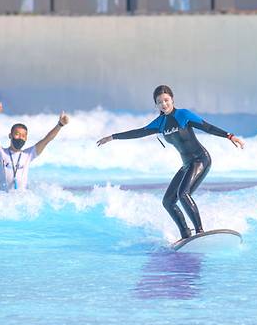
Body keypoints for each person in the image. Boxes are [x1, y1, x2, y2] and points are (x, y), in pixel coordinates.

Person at [97, 85, 245, 240]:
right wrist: (113, 137)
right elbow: (139, 132)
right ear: (156, 105)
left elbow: (207, 127)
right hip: (187, 164)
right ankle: (186, 236)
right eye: (159, 102)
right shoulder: (159, 123)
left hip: (201, 159)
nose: (164, 104)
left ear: (172, 99)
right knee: (168, 201)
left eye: (166, 100)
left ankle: (200, 232)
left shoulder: (183, 115)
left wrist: (229, 136)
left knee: (183, 194)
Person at [0, 102, 69, 191]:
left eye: (23, 136)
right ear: (10, 135)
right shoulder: (0, 153)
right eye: (17, 134)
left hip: (22, 200)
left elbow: (47, 140)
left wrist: (60, 125)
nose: (20, 138)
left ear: (26, 138)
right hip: (3, 200)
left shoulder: (28, 154)